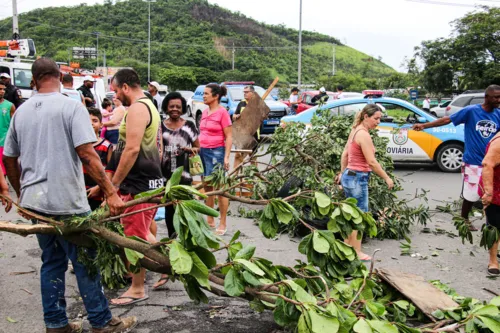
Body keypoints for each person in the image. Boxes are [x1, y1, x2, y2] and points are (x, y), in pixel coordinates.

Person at [2, 58, 136, 333]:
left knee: (51, 263)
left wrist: (20, 193)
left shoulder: (22, 112)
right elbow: (87, 154)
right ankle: (102, 323)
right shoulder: (71, 107)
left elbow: (9, 157)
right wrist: (111, 192)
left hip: (36, 203)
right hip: (68, 203)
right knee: (85, 262)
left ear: (35, 80)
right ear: (60, 76)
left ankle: (56, 324)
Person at [105, 68, 164, 306]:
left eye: (116, 91)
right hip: (145, 179)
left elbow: (131, 149)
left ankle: (138, 288)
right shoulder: (146, 105)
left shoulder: (139, 108)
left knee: (135, 236)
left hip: (139, 182)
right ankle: (169, 266)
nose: (116, 97)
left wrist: (114, 185)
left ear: (126, 87)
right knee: (143, 232)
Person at [413, 85, 500, 231]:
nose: (499, 100)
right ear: (486, 97)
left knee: (490, 193)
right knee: (471, 194)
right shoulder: (471, 111)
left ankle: (490, 223)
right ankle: (464, 218)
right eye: (496, 97)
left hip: (491, 163)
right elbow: (447, 120)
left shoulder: (498, 114)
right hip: (473, 162)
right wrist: (424, 125)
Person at [152, 92, 200, 290]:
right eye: (171, 106)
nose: (174, 109)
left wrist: (191, 150)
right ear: (166, 107)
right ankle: (172, 257)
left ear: (182, 108)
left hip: (184, 179)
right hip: (163, 179)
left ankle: (182, 255)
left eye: (178, 106)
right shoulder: (159, 126)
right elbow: (154, 149)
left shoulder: (189, 126)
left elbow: (198, 147)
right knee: (166, 216)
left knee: (182, 217)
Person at [336, 104, 394, 261]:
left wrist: (342, 173)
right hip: (357, 178)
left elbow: (345, 153)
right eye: (376, 119)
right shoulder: (364, 135)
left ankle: (347, 248)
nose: (378, 122)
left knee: (352, 214)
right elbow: (372, 162)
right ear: (366, 117)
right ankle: (356, 251)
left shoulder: (355, 130)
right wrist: (386, 177)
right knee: (359, 216)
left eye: (380, 119)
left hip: (350, 175)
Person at [200, 83, 232, 236]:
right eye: (203, 94)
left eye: (206, 93)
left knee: (220, 189)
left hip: (216, 153)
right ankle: (210, 219)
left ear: (216, 96)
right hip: (203, 152)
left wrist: (226, 157)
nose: (203, 96)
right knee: (207, 188)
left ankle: (223, 222)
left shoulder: (222, 112)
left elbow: (229, 136)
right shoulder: (205, 112)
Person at [479, 131, 500, 276]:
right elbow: (487, 164)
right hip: (496, 189)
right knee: (494, 225)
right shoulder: (499, 143)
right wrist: (488, 193)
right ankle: (493, 260)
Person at [86, 107, 113, 211]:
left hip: (99, 192)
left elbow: (110, 172)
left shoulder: (106, 146)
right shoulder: (78, 146)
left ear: (101, 124)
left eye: (95, 120)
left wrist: (99, 188)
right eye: (87, 121)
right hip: (81, 193)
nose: (91, 123)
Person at [232, 85, 259, 169]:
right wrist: (235, 116)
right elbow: (234, 115)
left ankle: (255, 177)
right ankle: (234, 177)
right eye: (244, 92)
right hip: (241, 135)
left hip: (253, 135)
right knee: (238, 155)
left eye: (247, 92)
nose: (245, 94)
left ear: (253, 93)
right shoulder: (241, 103)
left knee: (253, 157)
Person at [0, 82, 15, 176]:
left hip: (3, 142)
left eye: (3, 89)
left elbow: (14, 125)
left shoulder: (10, 106)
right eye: (0, 89)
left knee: (3, 171)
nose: (2, 91)